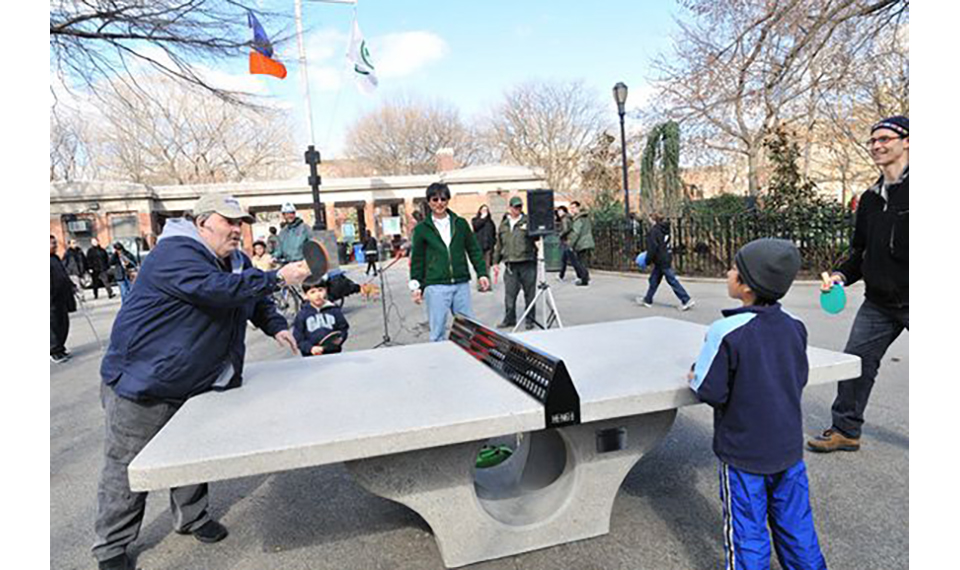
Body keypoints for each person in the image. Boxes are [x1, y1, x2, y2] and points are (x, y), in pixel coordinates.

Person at [92, 193, 311, 570]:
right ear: (202, 223)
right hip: (143, 382)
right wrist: (277, 276)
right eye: (229, 222)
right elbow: (217, 290)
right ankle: (111, 547)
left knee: (191, 456)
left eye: (241, 223)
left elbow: (253, 301)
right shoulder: (174, 255)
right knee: (126, 469)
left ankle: (191, 518)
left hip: (196, 382)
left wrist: (275, 326)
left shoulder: (236, 259)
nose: (238, 230)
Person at [688, 238, 826, 570]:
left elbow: (709, 390)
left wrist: (694, 374)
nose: (728, 271)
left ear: (746, 285)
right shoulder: (795, 326)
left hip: (743, 454)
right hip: (788, 449)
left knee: (747, 533)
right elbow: (797, 375)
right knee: (797, 527)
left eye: (734, 268)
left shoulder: (725, 331)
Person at [807, 115, 909, 454]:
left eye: (885, 139)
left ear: (907, 141)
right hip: (879, 302)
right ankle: (846, 430)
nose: (877, 146)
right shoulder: (868, 199)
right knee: (856, 362)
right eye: (873, 141)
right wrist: (840, 276)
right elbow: (859, 252)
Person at [409, 182, 490, 342]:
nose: (439, 203)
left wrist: (482, 273)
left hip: (460, 283)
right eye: (435, 199)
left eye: (443, 199)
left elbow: (473, 249)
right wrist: (416, 286)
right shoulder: (422, 229)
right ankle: (440, 364)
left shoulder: (460, 224)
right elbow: (417, 259)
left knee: (468, 328)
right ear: (429, 201)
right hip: (435, 285)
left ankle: (465, 361)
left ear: (448, 200)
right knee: (438, 331)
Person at [492, 196, 538, 330]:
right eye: (515, 207)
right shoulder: (504, 224)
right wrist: (495, 262)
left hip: (527, 262)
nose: (518, 209)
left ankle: (530, 320)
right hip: (510, 264)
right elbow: (499, 245)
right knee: (510, 295)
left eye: (520, 206)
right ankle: (510, 319)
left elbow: (536, 237)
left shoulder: (528, 222)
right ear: (510, 207)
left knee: (529, 294)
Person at [639, 212, 695, 311]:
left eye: (650, 219)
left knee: (671, 280)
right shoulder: (665, 229)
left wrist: (647, 260)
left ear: (653, 220)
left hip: (660, 259)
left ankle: (686, 299)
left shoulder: (654, 231)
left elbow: (653, 248)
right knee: (654, 280)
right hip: (666, 256)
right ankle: (647, 299)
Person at [293, 278, 350, 357]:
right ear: (305, 296)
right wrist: (310, 348)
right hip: (311, 356)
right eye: (312, 292)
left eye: (320, 290)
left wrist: (341, 338)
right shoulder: (302, 315)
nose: (317, 295)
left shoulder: (334, 310)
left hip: (333, 353)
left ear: (326, 290)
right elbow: (298, 338)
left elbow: (343, 328)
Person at [50, 235, 76, 364]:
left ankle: (60, 347)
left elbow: (63, 276)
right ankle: (54, 351)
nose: (55, 245)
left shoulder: (55, 258)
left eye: (55, 243)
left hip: (61, 298)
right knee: (53, 327)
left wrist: (72, 286)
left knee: (63, 324)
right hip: (51, 299)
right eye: (52, 244)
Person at [566, 201, 594, 286]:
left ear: (578, 208)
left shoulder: (578, 219)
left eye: (573, 208)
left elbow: (576, 233)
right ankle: (585, 276)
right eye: (571, 208)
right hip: (588, 241)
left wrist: (570, 244)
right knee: (583, 261)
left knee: (580, 261)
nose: (572, 210)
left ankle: (584, 279)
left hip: (581, 243)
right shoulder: (586, 217)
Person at [471, 204, 497, 286]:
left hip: (488, 248)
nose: (484, 212)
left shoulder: (490, 222)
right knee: (480, 266)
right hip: (479, 247)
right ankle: (480, 285)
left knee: (487, 266)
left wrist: (493, 245)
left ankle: (487, 284)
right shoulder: (475, 220)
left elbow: (493, 234)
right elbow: (476, 226)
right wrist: (482, 218)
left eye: (486, 210)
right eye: (483, 210)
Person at [555, 205, 574, 281]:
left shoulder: (564, 219)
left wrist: (560, 234)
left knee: (569, 259)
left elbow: (566, 229)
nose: (559, 213)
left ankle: (581, 274)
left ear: (564, 211)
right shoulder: (567, 218)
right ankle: (561, 275)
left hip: (566, 241)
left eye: (560, 211)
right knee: (567, 259)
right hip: (567, 241)